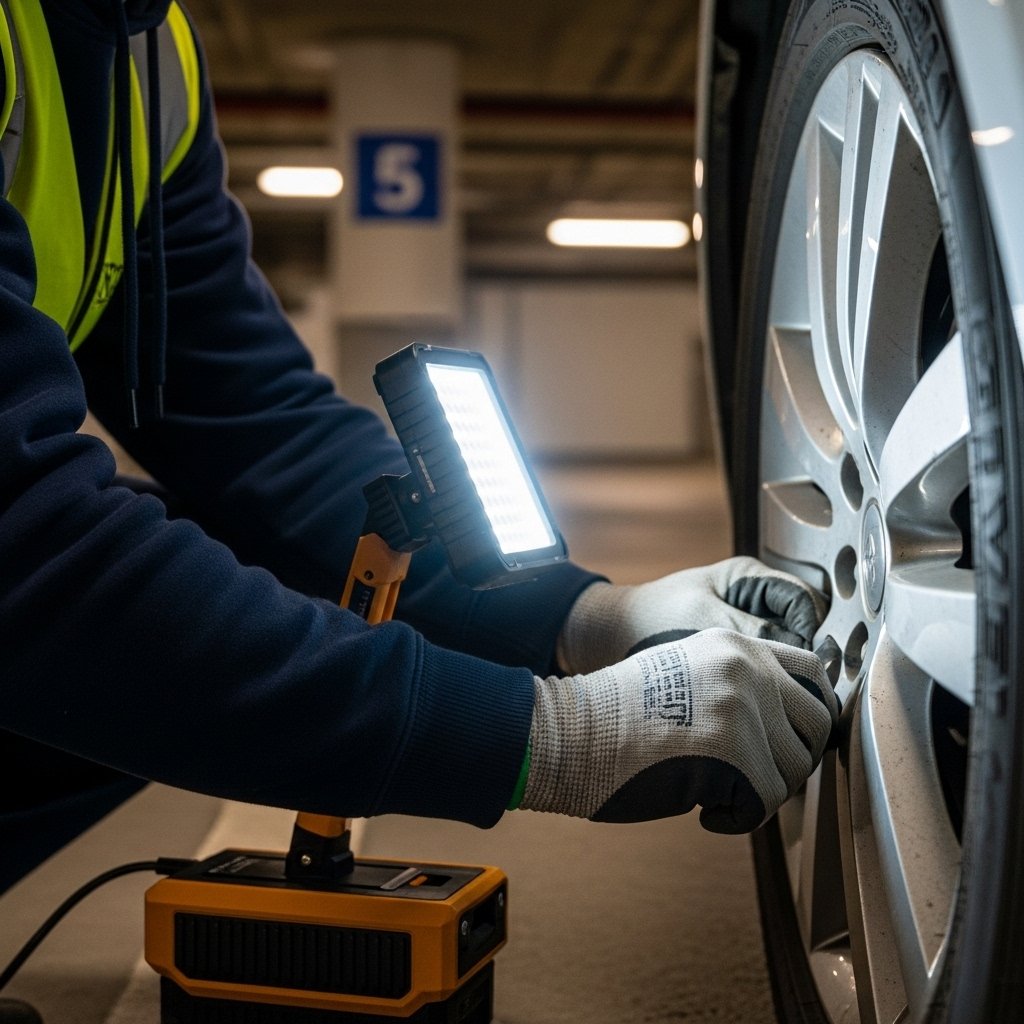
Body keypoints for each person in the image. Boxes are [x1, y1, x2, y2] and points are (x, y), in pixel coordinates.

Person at [0, 0, 837, 899]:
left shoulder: (150, 51)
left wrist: (588, 618)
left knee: (209, 593)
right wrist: (545, 736)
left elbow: (256, 424)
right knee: (126, 633)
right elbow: (21, 539)